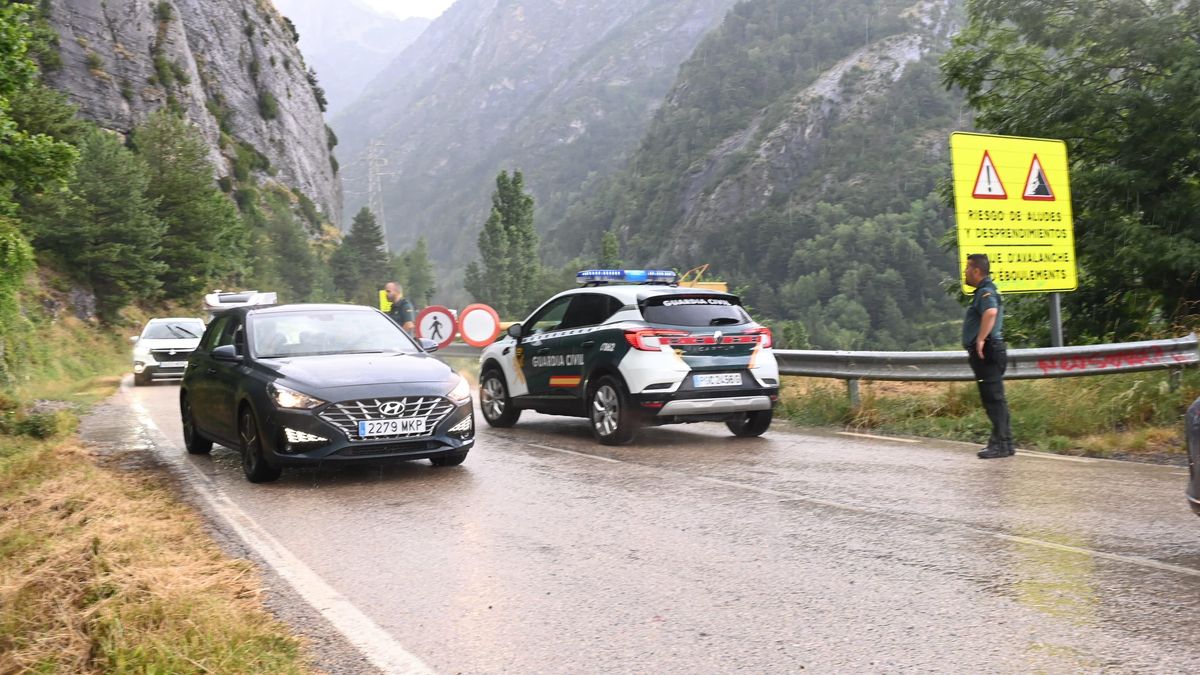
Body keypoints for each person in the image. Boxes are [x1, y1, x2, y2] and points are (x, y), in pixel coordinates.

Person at [962, 253, 1014, 459]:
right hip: (992, 350)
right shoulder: (987, 289)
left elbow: (991, 312)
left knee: (993, 399)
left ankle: (1001, 444)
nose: (965, 272)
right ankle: (1004, 443)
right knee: (995, 398)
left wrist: (981, 339)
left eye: (967, 268)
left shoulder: (985, 291)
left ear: (976, 271)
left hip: (988, 351)